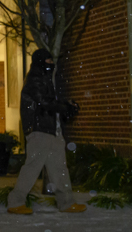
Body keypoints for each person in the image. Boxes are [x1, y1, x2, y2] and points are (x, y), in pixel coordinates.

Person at [6, 49, 87, 214]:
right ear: (41, 62)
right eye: (48, 61)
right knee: (33, 167)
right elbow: (44, 102)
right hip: (40, 131)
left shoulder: (44, 79)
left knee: (59, 168)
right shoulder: (36, 79)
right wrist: (65, 107)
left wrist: (64, 105)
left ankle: (66, 202)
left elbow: (48, 101)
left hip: (51, 131)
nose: (51, 64)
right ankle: (15, 202)